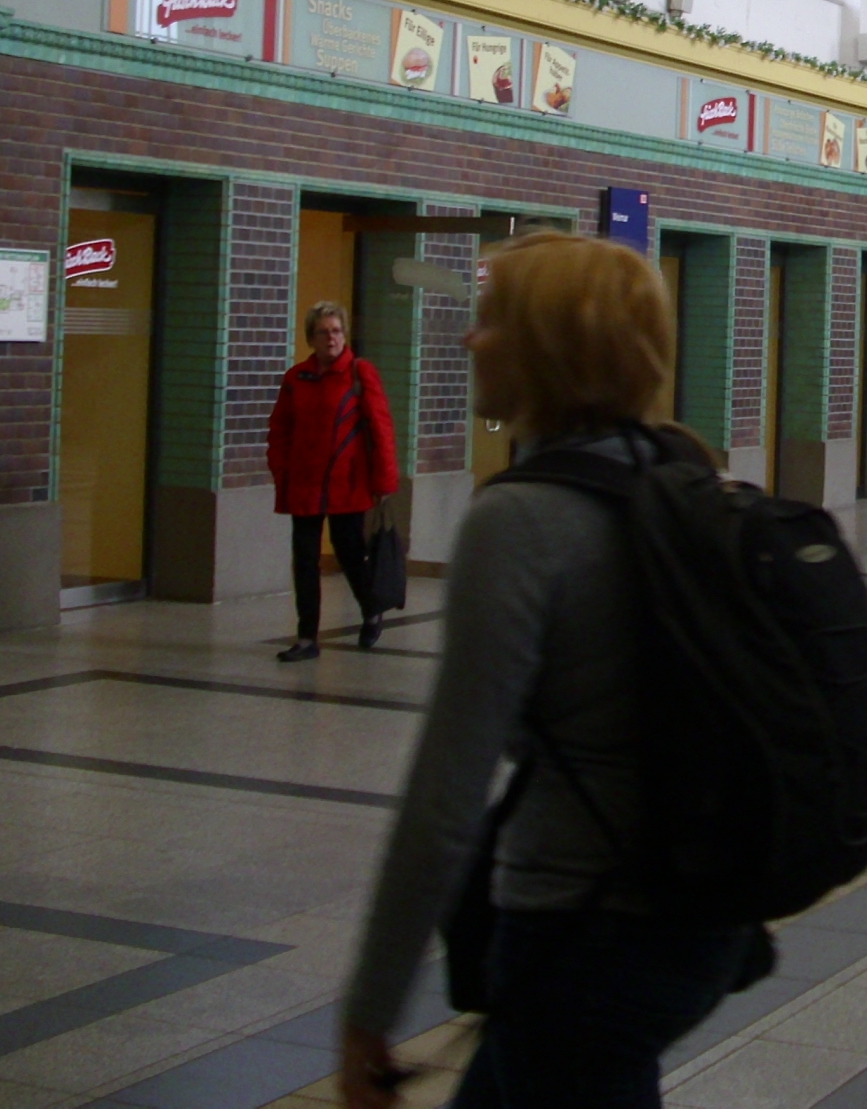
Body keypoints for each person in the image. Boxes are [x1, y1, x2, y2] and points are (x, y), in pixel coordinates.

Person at [338, 234, 757, 1109]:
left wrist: (369, 1009)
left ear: (549, 344)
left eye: (493, 322)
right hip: (701, 917)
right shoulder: (686, 470)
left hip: (581, 930)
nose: (468, 341)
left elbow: (444, 797)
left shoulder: (519, 521)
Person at [267, 302, 398, 662]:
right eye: (324, 332)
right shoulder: (297, 378)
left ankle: (371, 610)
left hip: (348, 483)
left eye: (337, 331)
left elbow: (381, 428)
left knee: (350, 553)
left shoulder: (359, 372)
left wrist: (385, 479)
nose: (332, 338)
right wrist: (280, 470)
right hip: (305, 483)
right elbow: (280, 428)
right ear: (311, 337)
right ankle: (307, 637)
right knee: (306, 559)